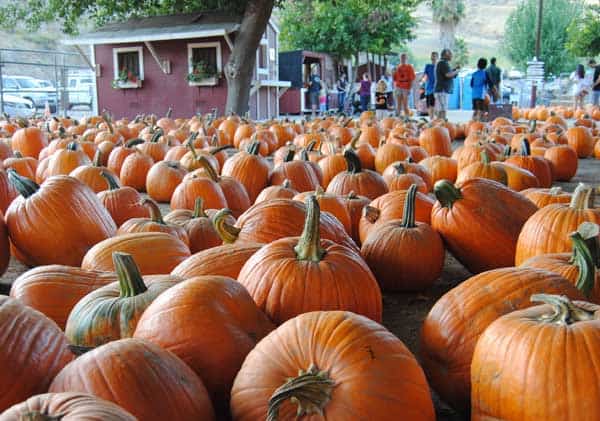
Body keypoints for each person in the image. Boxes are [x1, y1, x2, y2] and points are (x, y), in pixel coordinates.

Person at [434, 48, 460, 120]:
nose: (451, 56)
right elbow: (448, 75)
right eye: (450, 54)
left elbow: (448, 73)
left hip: (442, 90)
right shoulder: (442, 63)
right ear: (445, 55)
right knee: (442, 110)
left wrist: (454, 70)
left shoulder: (443, 63)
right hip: (442, 90)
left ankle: (440, 124)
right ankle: (440, 124)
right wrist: (457, 71)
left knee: (442, 109)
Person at [393, 53, 416, 117]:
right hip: (398, 87)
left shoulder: (409, 67)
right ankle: (397, 118)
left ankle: (407, 118)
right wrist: (392, 72)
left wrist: (410, 88)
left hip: (406, 87)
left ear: (406, 59)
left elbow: (412, 79)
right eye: (401, 58)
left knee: (405, 104)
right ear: (400, 59)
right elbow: (394, 79)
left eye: (404, 58)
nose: (403, 59)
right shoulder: (397, 67)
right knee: (398, 104)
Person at [421, 51, 438, 120]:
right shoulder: (428, 66)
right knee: (428, 104)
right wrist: (422, 80)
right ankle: (431, 118)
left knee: (432, 104)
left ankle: (432, 118)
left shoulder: (438, 66)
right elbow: (424, 75)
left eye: (435, 56)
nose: (433, 57)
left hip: (435, 88)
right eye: (432, 56)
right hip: (428, 88)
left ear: (437, 57)